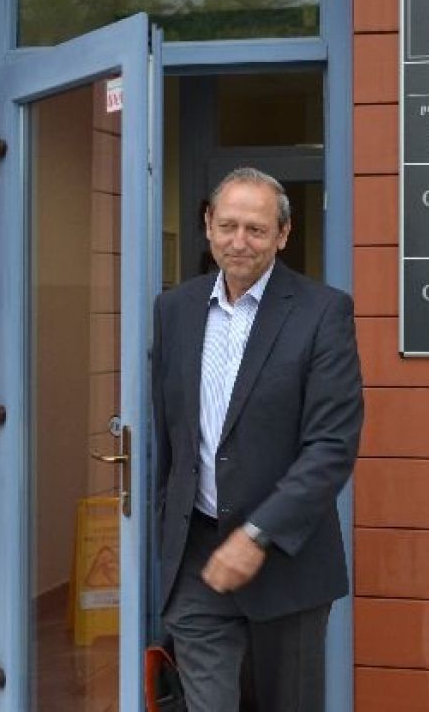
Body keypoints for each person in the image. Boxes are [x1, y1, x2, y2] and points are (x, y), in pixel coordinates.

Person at [151, 167, 364, 712]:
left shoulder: (322, 313)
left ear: (283, 235)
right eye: (228, 226)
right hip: (197, 558)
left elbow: (331, 446)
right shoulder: (174, 310)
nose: (239, 241)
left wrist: (257, 535)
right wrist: (165, 525)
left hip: (286, 562)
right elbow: (167, 433)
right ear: (208, 225)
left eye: (256, 229)